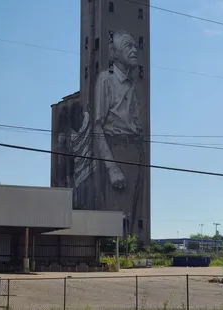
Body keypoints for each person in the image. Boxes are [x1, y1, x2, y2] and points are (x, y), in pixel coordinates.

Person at [93, 30, 145, 236]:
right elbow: (97, 126)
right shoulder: (105, 80)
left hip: (136, 151)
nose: (134, 51)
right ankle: (113, 252)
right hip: (117, 150)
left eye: (135, 46)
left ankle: (128, 250)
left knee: (133, 214)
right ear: (114, 53)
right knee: (118, 215)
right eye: (128, 46)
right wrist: (112, 167)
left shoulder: (132, 83)